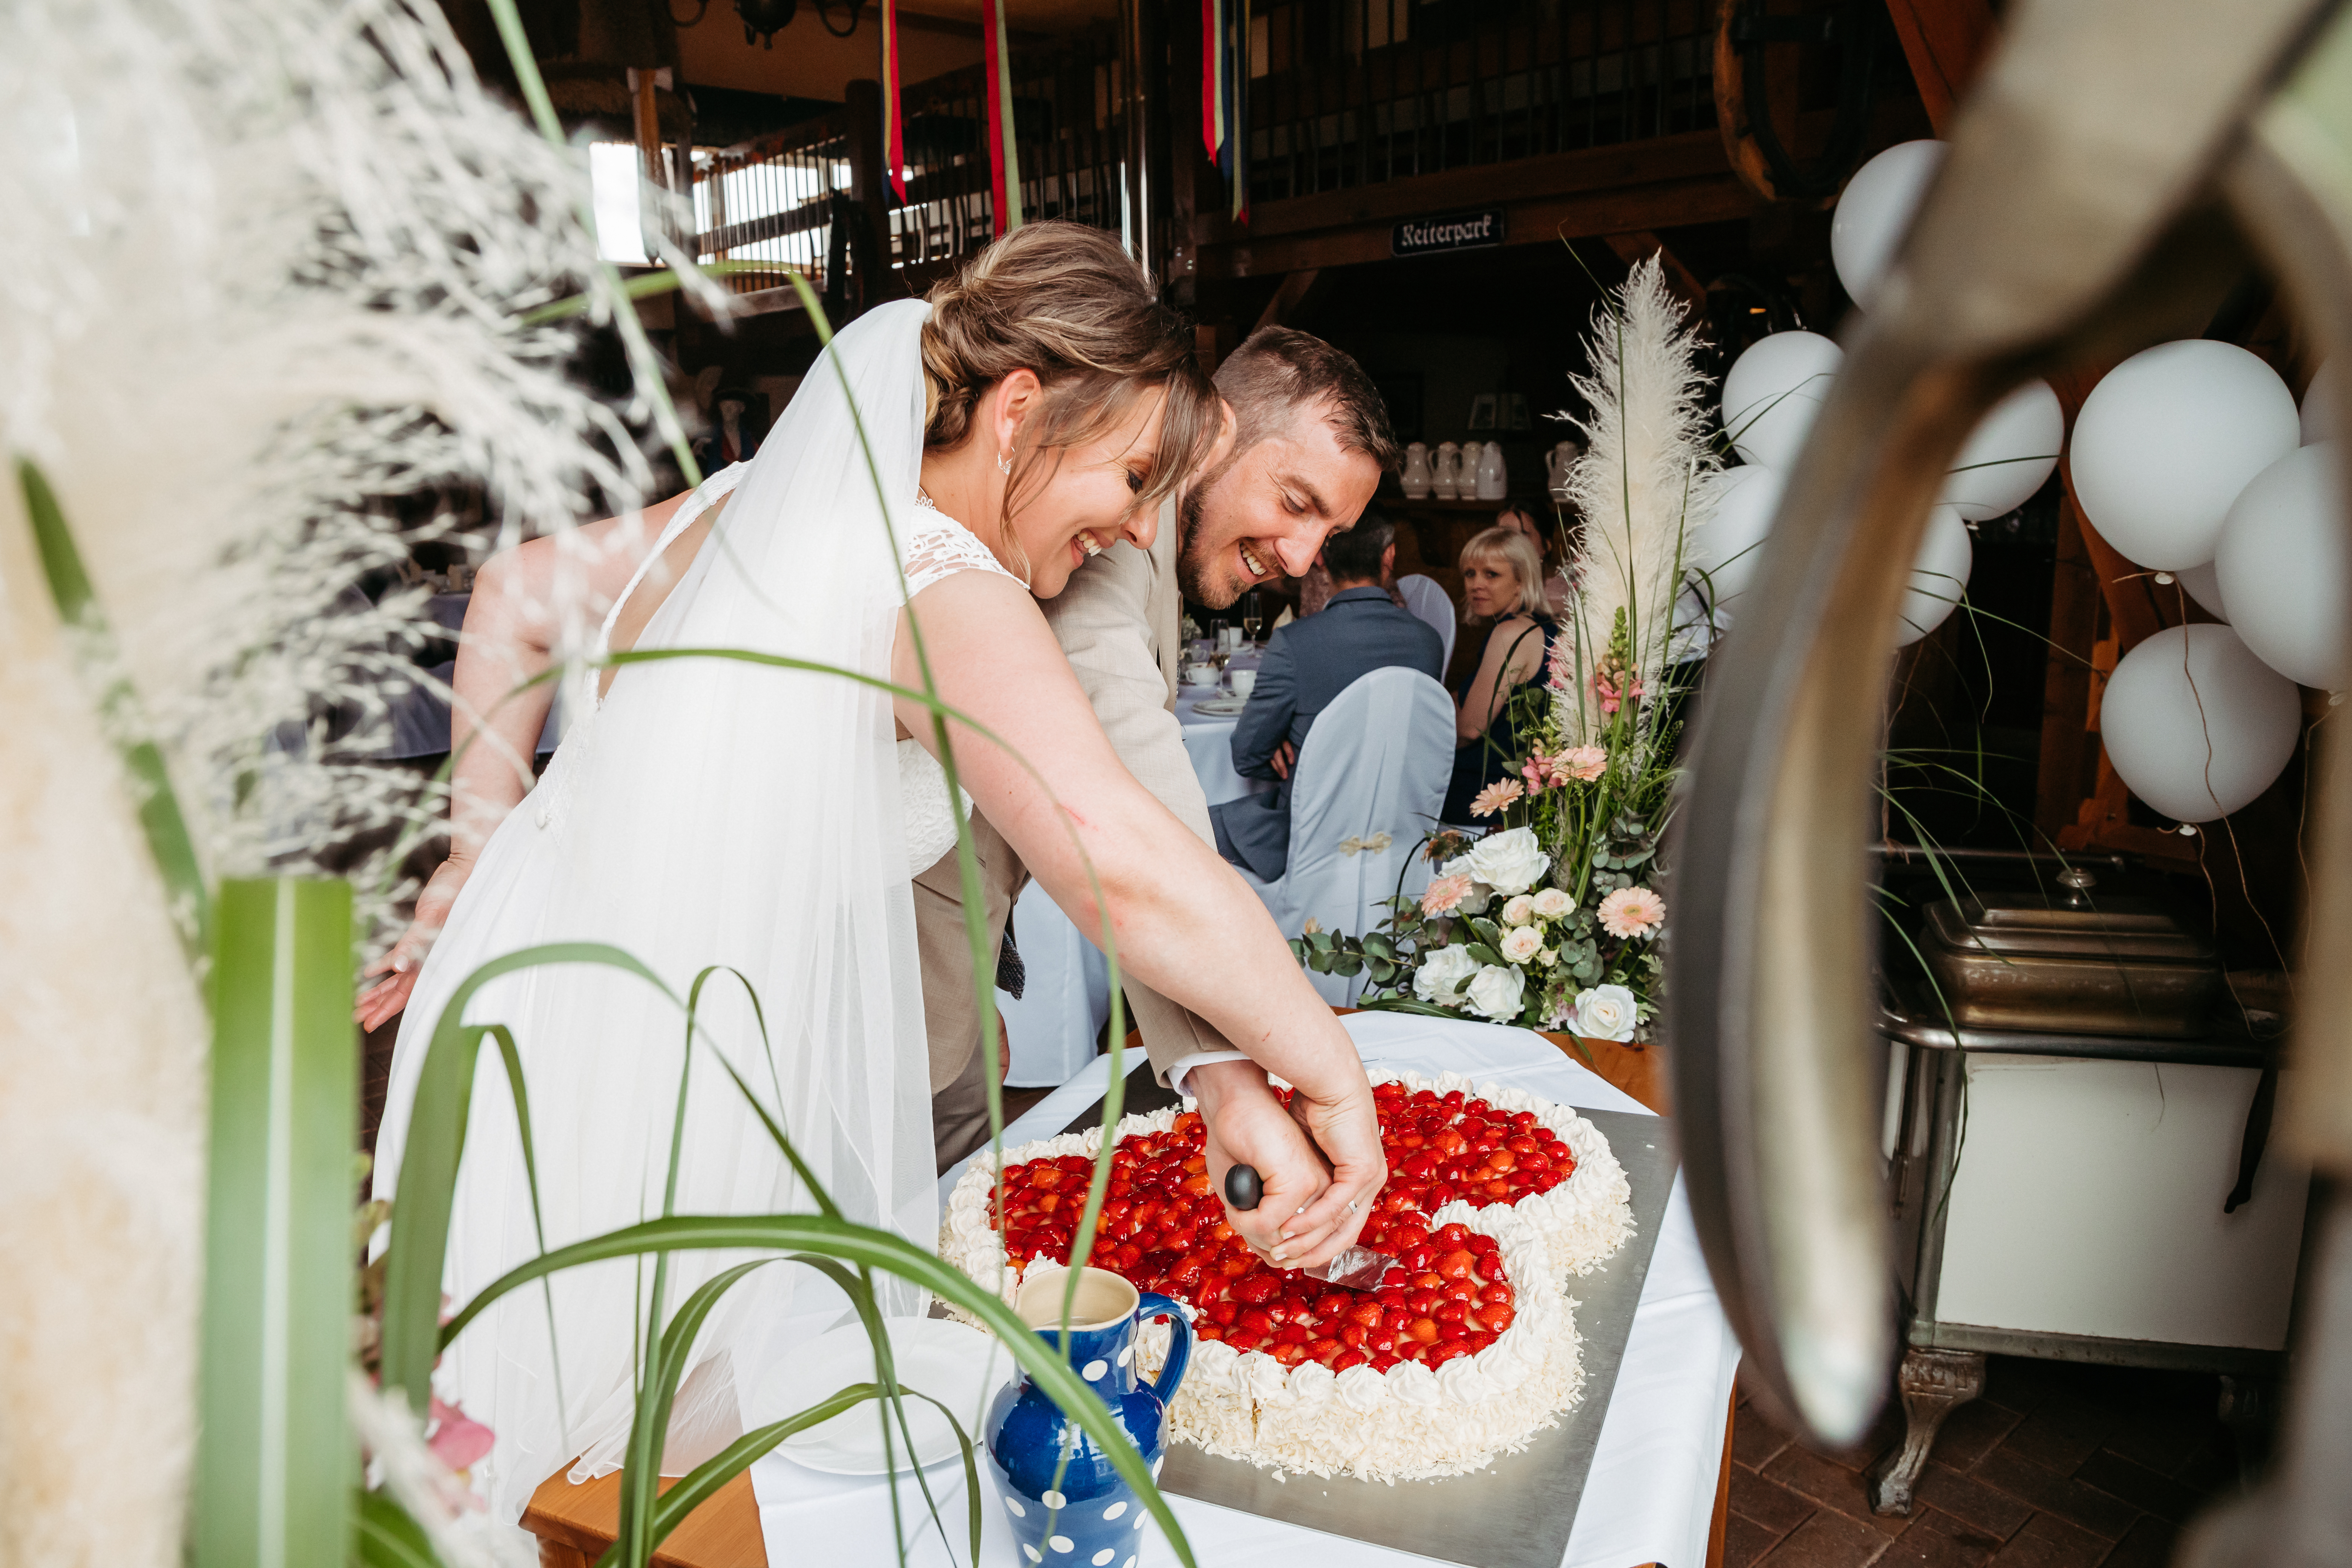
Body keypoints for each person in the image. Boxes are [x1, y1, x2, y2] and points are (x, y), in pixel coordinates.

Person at [356, 224, 1387, 1522]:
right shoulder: (935, 578)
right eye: (1131, 476)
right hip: (655, 1090)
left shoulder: (755, 497)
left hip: (520, 1015)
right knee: (636, 1495)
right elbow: (1116, 861)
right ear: (1019, 412)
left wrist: (476, 848)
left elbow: (515, 593)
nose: (1136, 527)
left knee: (501, 1456)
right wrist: (1327, 1069)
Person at [917, 324, 1402, 1164]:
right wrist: (1236, 1077)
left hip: (948, 973)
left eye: (1327, 535)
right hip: (882, 995)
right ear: (1214, 432)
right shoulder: (1102, 549)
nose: (1301, 561)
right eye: (1295, 503)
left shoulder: (1139, 538)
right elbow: (1133, 815)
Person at [1209, 511, 1444, 880]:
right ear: (1390, 556)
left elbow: (1247, 757)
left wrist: (1287, 742)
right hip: (1402, 832)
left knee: (1192, 823)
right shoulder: (1429, 642)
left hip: (1310, 836)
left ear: (1319, 557)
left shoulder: (1295, 642)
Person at [1441, 524, 1559, 823]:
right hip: (1516, 796)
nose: (1476, 584)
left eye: (1491, 574)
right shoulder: (1543, 628)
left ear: (1521, 581)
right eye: (1470, 574)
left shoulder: (1510, 634)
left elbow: (1470, 729)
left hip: (1486, 798)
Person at [1496, 502, 1572, 614]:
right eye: (1502, 536)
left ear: (1546, 546)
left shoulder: (1565, 595)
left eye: (1521, 535)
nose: (1509, 544)